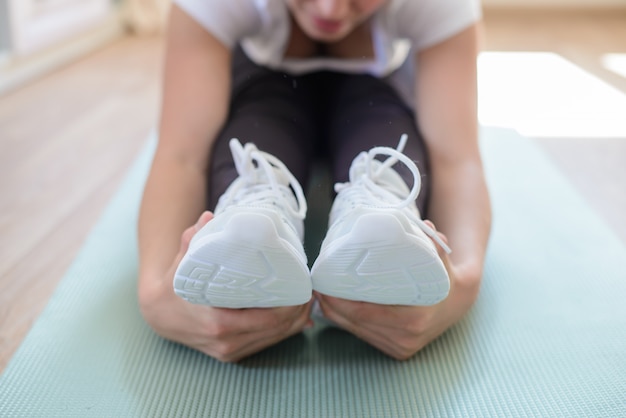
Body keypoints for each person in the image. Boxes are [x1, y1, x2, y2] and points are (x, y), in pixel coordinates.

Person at [137, 0, 492, 363]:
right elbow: (180, 156)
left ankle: (381, 201)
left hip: (373, 98)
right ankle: (254, 202)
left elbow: (457, 159)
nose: (330, 10)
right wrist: (154, 297)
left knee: (381, 119)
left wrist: (463, 283)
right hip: (263, 96)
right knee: (261, 114)